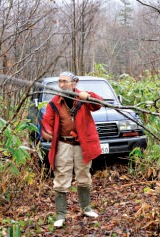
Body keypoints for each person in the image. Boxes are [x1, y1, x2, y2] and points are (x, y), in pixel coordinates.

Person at [41, 71, 103, 228]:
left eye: (65, 81)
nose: (61, 85)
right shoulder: (54, 102)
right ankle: (60, 215)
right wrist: (46, 132)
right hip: (63, 144)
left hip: (82, 144)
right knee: (61, 178)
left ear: (74, 83)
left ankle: (86, 208)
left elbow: (98, 104)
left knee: (84, 175)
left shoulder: (82, 97)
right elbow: (47, 121)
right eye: (60, 81)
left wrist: (88, 95)